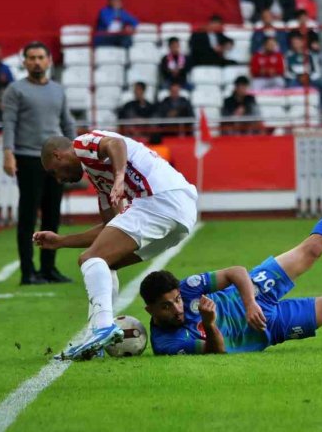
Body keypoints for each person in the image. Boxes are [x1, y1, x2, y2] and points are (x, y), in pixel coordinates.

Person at [142, 182, 322, 356]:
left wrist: (250, 303)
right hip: (268, 328)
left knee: (313, 248)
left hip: (254, 290)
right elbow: (217, 350)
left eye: (176, 300)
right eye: (166, 306)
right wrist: (210, 323)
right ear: (149, 310)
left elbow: (236, 271)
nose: (177, 308)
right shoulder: (166, 344)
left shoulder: (189, 288)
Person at [34, 131, 199, 360]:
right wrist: (61, 241)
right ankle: (95, 340)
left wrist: (119, 177)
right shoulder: (100, 180)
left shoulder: (81, 145)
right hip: (180, 214)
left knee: (91, 259)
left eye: (54, 171)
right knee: (104, 263)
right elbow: (110, 228)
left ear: (58, 155)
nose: (59, 179)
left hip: (158, 198)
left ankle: (103, 327)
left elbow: (116, 143)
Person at [1, 41, 76, 286]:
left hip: (57, 160)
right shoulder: (15, 90)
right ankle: (27, 272)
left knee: (52, 215)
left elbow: (67, 122)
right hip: (28, 158)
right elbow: (9, 124)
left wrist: (77, 152)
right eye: (31, 58)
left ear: (49, 61)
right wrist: (8, 153)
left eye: (40, 57)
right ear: (24, 62)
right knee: (28, 216)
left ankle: (48, 268)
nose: (36, 62)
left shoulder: (58, 90)